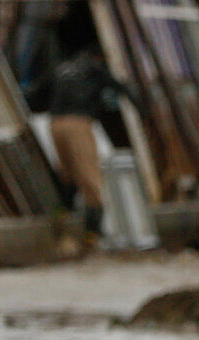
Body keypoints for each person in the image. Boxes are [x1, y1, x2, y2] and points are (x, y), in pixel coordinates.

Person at [48, 44, 132, 239]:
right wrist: (142, 110)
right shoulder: (94, 69)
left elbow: (37, 93)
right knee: (90, 176)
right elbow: (121, 88)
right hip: (78, 122)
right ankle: (93, 233)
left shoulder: (61, 69)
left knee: (66, 174)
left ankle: (63, 228)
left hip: (55, 123)